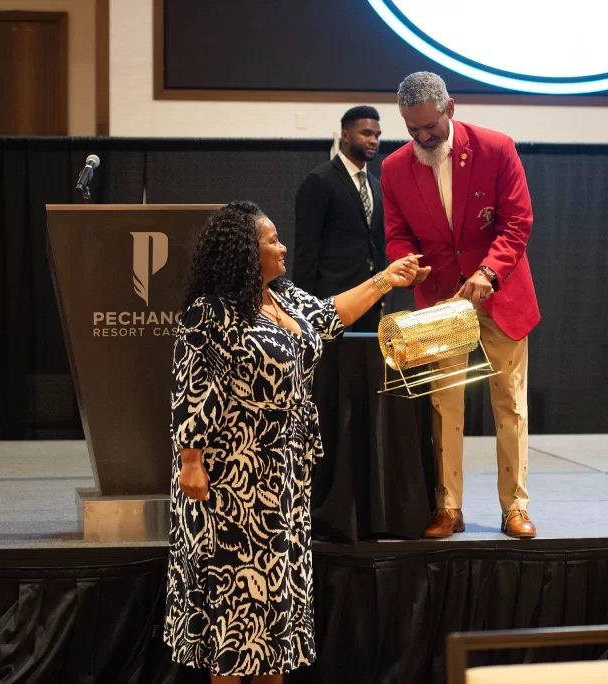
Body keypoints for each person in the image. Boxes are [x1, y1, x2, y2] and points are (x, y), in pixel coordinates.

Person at [166, 200, 420, 682]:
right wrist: (190, 460)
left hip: (282, 475)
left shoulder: (285, 297)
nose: (283, 248)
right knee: (233, 616)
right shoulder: (211, 312)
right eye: (272, 241)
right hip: (230, 481)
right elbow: (190, 388)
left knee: (275, 613)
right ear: (246, 252)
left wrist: (387, 279)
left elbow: (331, 314)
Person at [381, 71, 541, 539]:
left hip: (500, 292)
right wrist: (406, 264)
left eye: (430, 126)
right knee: (443, 403)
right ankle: (447, 507)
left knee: (509, 403)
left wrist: (488, 272)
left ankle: (515, 507)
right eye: (412, 129)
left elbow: (517, 223)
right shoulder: (393, 168)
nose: (422, 137)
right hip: (439, 299)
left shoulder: (497, 148)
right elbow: (396, 235)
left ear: (450, 108)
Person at [293, 105, 386, 331]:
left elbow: (374, 243)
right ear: (345, 135)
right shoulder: (320, 180)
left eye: (377, 135)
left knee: (368, 355)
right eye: (366, 133)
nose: (373, 140)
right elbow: (306, 249)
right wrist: (302, 308)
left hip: (370, 300)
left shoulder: (375, 185)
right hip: (330, 302)